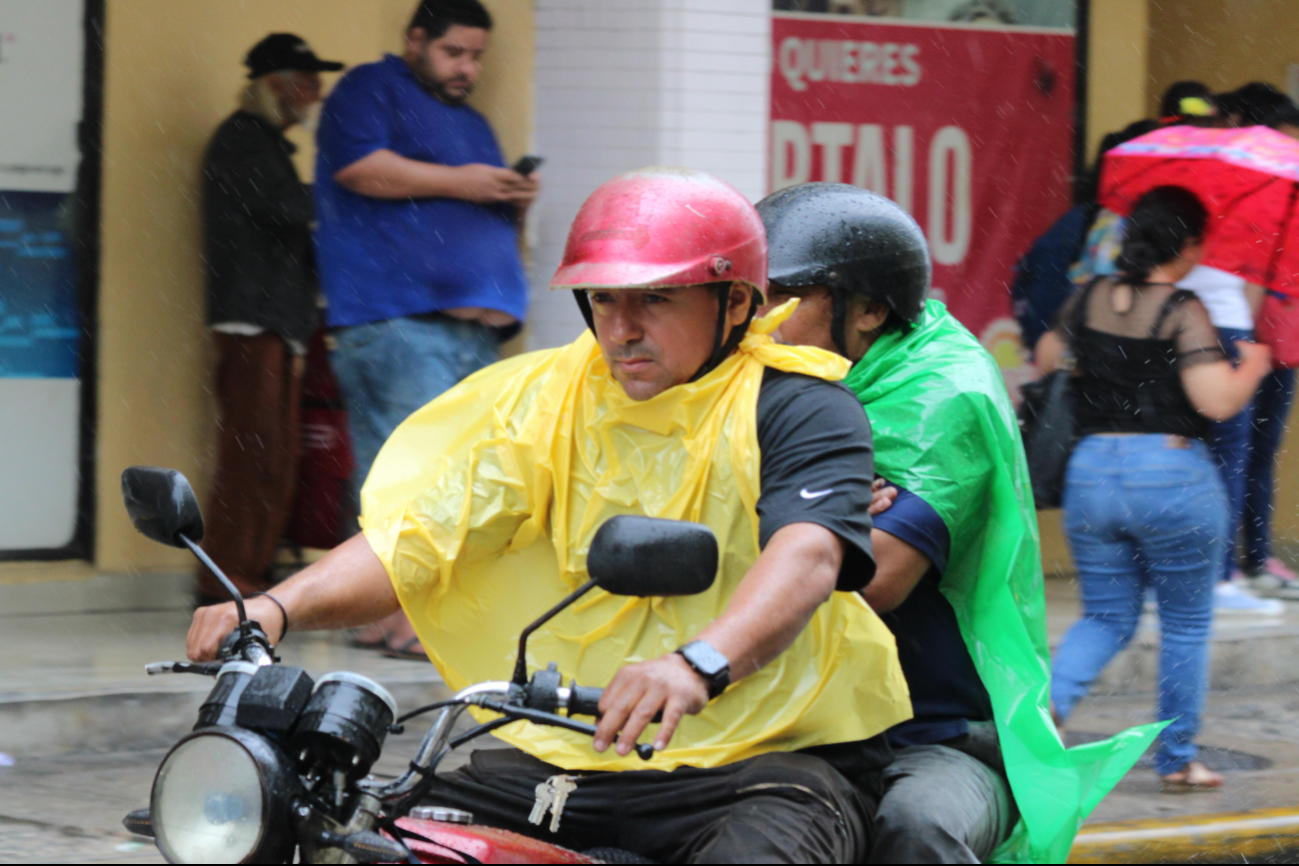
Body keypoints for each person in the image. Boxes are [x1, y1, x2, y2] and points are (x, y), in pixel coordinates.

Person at [186, 167, 914, 863]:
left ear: (735, 302)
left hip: (766, 760)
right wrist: (276, 607)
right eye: (602, 299)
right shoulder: (548, 400)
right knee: (375, 841)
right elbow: (420, 539)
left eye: (655, 299)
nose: (621, 328)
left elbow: (808, 554)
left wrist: (697, 665)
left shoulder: (803, 404)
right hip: (581, 745)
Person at [756, 184, 1154, 863]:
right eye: (748, 295)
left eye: (779, 297)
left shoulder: (940, 393)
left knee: (918, 827)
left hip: (938, 736)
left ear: (870, 309)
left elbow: (873, 573)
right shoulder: (761, 381)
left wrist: (775, 508)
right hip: (786, 723)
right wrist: (807, 504)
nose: (753, 318)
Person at [313, 0, 539, 657]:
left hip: (472, 334)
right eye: (454, 53)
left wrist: (508, 198)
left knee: (465, 480)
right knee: (410, 476)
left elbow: (474, 208)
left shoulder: (471, 122)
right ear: (416, 41)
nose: (467, 67)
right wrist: (465, 183)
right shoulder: (368, 88)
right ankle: (403, 612)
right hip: (398, 322)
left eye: (477, 56)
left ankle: (403, 614)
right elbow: (359, 169)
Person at [1039, 186, 1272, 791]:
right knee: (1186, 624)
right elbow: (1215, 400)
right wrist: (1254, 365)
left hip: (1091, 474)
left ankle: (1046, 719)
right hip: (1170, 475)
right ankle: (1177, 760)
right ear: (1188, 246)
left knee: (1106, 618)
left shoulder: (1088, 296)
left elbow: (1046, 358)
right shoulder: (1183, 307)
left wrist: (1102, 365)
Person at [197, 34, 343, 601]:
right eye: (307, 84)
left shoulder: (260, 144)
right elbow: (293, 211)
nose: (315, 95)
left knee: (273, 459)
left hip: (275, 324)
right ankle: (225, 584)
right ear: (278, 87)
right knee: (251, 457)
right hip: (252, 324)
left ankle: (246, 581)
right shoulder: (243, 142)